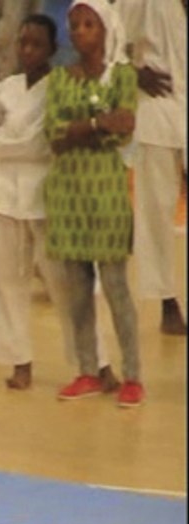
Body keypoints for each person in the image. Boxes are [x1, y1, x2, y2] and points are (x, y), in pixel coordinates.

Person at [0, 14, 117, 392]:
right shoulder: (5, 87)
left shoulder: (61, 86)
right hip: (5, 196)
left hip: (46, 196)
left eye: (35, 44)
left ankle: (97, 363)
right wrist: (6, 142)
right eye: (22, 43)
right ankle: (19, 361)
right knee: (8, 282)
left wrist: (5, 142)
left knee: (67, 286)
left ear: (52, 49)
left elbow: (41, 143)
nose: (27, 50)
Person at [45, 0, 143, 407]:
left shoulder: (122, 76)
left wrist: (82, 126)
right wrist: (98, 122)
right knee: (78, 291)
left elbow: (125, 128)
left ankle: (134, 375)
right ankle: (87, 370)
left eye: (89, 24)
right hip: (68, 193)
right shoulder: (58, 79)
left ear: (105, 29)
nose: (79, 32)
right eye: (74, 25)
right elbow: (54, 133)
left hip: (106, 192)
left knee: (117, 288)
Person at [119, 0, 187, 336]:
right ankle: (167, 300)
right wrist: (131, 72)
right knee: (157, 212)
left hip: (182, 108)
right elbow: (110, 39)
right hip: (158, 111)